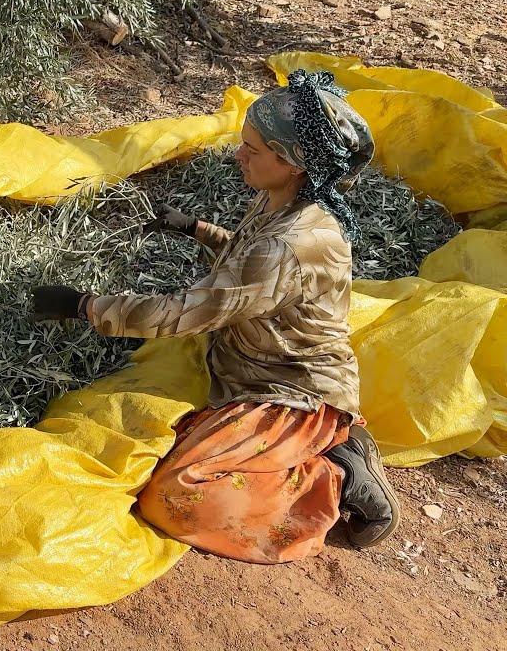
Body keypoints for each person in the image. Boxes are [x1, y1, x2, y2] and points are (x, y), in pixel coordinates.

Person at [29, 70, 400, 563]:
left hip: (288, 388)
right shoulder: (282, 201)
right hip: (238, 359)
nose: (237, 155)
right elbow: (249, 270)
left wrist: (86, 307)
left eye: (253, 148)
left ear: (293, 164)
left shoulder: (291, 243)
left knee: (177, 493)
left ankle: (335, 473)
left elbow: (194, 310)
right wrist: (200, 230)